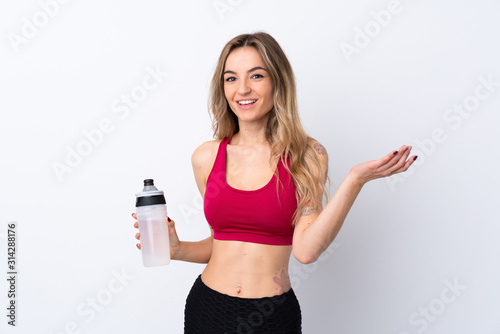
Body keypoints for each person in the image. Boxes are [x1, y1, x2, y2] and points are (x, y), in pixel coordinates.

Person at [132, 32, 416, 333]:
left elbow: (306, 251)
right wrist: (176, 249)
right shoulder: (206, 157)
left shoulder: (307, 155)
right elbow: (222, 243)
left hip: (272, 316)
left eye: (256, 75)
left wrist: (355, 181)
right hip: (208, 309)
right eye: (231, 78)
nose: (242, 89)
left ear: (277, 81)